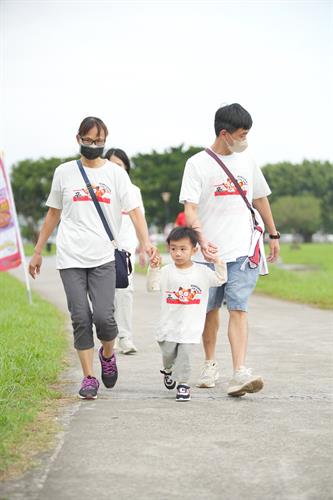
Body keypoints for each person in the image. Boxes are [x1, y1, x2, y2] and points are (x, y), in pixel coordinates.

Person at [29, 116, 156, 400]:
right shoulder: (64, 172)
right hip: (70, 256)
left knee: (104, 318)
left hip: (103, 256)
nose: (94, 146)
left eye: (99, 142)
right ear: (78, 139)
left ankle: (107, 355)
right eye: (89, 141)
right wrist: (38, 251)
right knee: (80, 318)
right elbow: (53, 213)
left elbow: (135, 211)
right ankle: (88, 378)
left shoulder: (115, 174)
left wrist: (146, 242)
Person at [179, 103, 280, 396]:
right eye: (242, 133)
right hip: (208, 254)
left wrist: (273, 233)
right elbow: (190, 209)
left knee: (239, 307)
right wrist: (201, 238)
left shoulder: (247, 161)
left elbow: (260, 199)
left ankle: (239, 371)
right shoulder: (197, 164)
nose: (245, 139)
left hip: (243, 248)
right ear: (225, 134)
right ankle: (210, 364)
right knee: (209, 310)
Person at [147, 226, 227, 401]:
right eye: (173, 249)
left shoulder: (202, 272)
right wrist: (153, 268)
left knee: (185, 357)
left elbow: (220, 279)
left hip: (191, 326)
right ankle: (168, 370)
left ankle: (183, 385)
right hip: (168, 326)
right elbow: (152, 286)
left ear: (194, 250)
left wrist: (218, 261)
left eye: (183, 249)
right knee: (168, 354)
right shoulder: (167, 271)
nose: (178, 253)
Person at [104, 147, 146, 355]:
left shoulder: (133, 191)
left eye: (119, 165)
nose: (116, 169)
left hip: (125, 251)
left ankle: (125, 337)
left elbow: (140, 220)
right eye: (111, 164)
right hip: (102, 248)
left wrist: (143, 247)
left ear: (126, 168)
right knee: (105, 295)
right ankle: (108, 337)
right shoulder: (101, 190)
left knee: (125, 292)